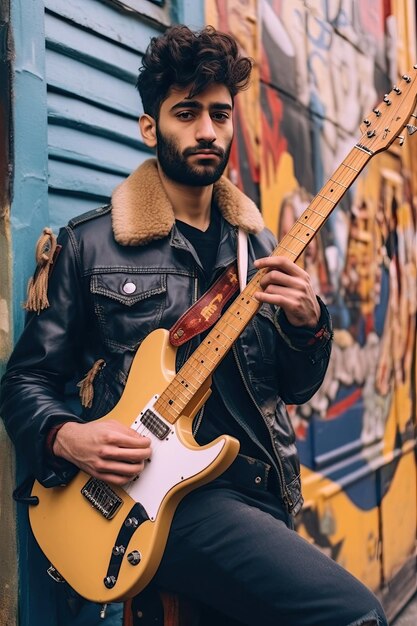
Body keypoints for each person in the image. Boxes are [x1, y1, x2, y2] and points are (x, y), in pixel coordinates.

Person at [0, 24, 388, 626]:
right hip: (166, 508)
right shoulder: (91, 245)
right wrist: (67, 437)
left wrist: (309, 324)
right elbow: (24, 383)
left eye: (220, 114)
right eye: (187, 112)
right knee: (355, 614)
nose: (208, 130)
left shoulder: (260, 250)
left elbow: (294, 389)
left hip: (262, 492)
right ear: (150, 127)